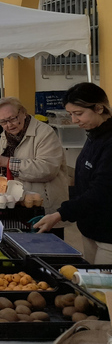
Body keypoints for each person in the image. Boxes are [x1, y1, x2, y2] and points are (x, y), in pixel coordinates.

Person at [34, 83, 112, 263]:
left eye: (78, 114)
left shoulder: (108, 142)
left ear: (99, 108)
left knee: (103, 288)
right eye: (70, 114)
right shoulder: (94, 135)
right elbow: (85, 184)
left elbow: (101, 191)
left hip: (108, 235)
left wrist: (61, 213)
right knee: (91, 286)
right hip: (91, 228)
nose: (74, 120)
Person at [0, 96, 69, 237]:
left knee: (47, 251)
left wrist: (7, 162)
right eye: (3, 122)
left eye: (13, 118)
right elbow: (6, 172)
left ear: (23, 113)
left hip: (43, 208)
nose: (9, 125)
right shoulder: (5, 135)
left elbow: (47, 169)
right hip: (17, 206)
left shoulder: (45, 133)